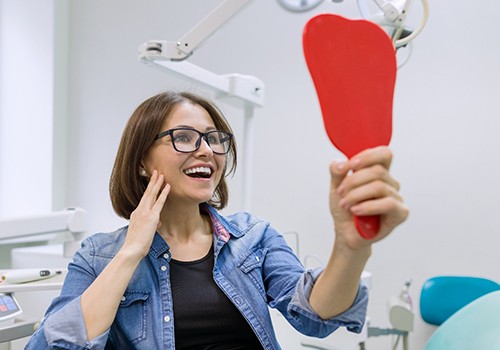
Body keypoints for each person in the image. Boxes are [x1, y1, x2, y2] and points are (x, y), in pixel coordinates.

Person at [26, 91, 408, 350]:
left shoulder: (252, 237)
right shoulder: (99, 256)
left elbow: (315, 316)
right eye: (184, 137)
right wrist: (131, 252)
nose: (206, 150)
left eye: (213, 138)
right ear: (142, 161)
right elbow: (53, 344)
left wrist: (351, 248)